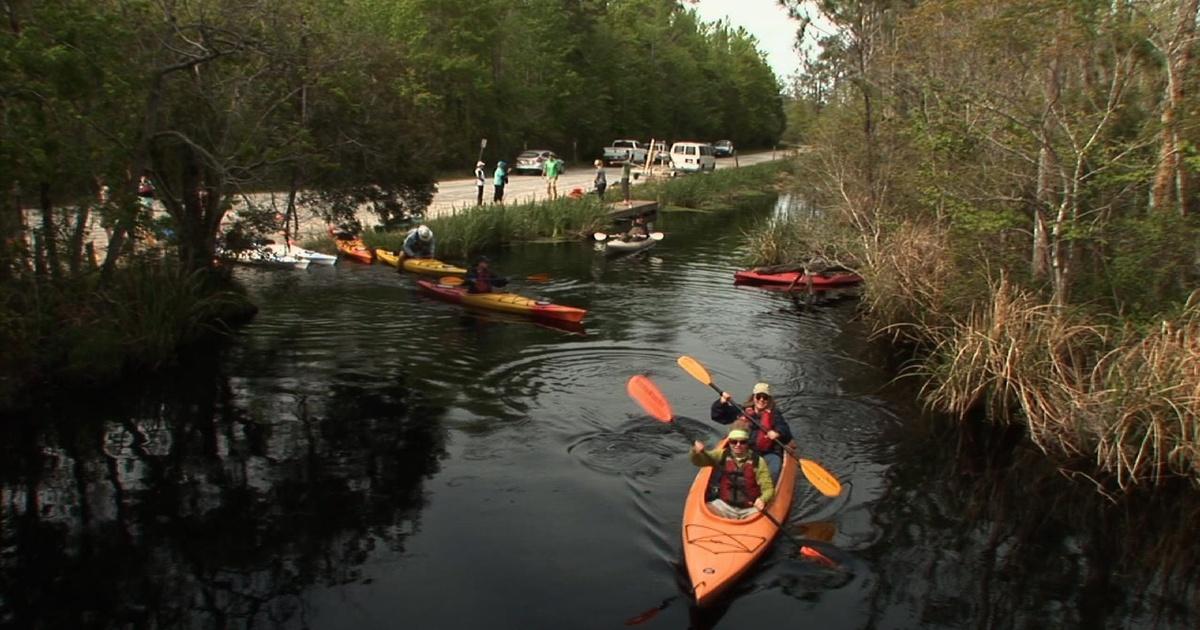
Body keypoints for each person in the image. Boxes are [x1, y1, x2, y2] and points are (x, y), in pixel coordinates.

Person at [711, 382, 794, 481]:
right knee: (721, 464)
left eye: (765, 397)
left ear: (769, 400)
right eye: (759, 396)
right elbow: (717, 416)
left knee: (774, 467)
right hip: (742, 449)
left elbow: (786, 432)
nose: (761, 400)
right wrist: (721, 402)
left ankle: (767, 491)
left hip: (767, 454)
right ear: (754, 397)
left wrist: (777, 433)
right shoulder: (741, 411)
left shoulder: (775, 416)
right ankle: (716, 488)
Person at [690, 425, 775, 520]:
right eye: (734, 441)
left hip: (750, 509)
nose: (737, 445)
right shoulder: (721, 454)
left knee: (759, 516)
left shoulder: (758, 461)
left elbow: (768, 489)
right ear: (729, 442)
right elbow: (699, 461)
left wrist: (763, 499)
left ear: (747, 443)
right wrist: (695, 452)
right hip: (724, 506)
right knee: (708, 510)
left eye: (742, 442)